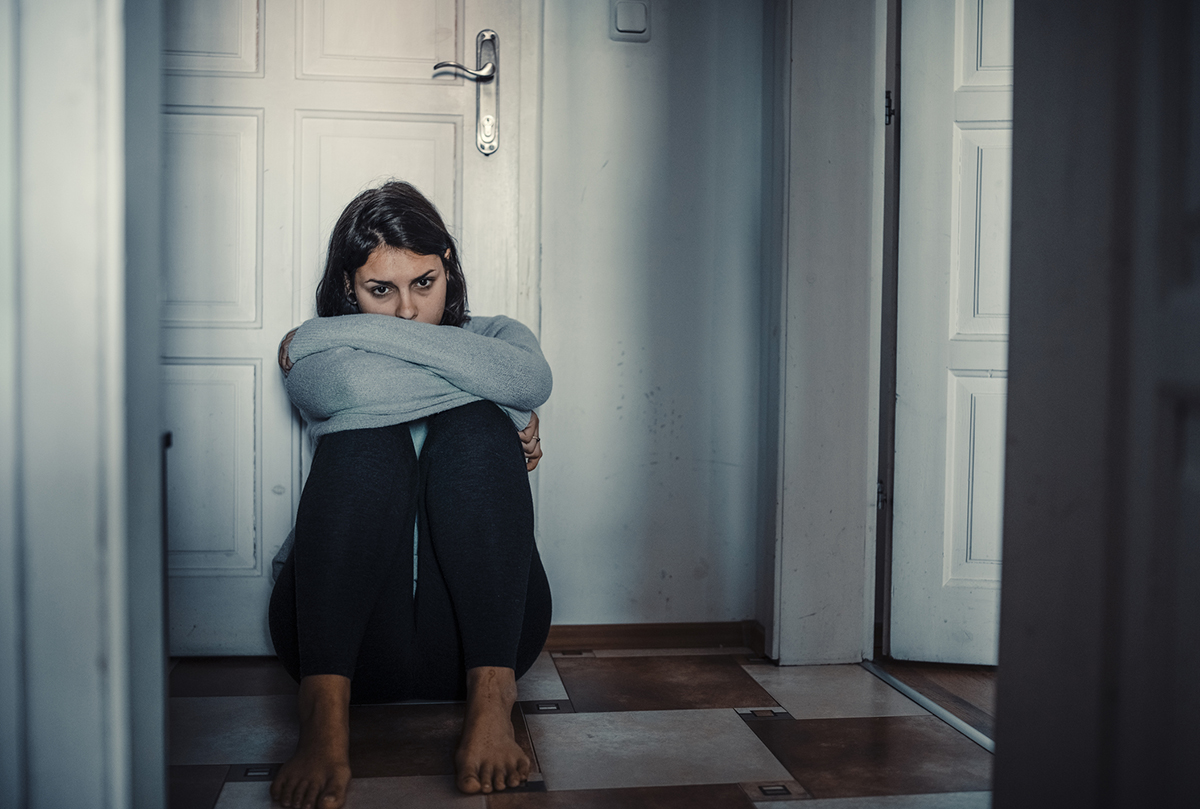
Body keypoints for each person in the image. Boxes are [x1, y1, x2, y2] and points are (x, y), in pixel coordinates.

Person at [267, 180, 553, 809]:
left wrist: (318, 334)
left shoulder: (499, 331)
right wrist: (503, 404)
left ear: (447, 266)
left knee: (475, 429)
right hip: (343, 641)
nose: (406, 312)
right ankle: (322, 718)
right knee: (368, 441)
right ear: (348, 287)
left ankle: (491, 706)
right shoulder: (337, 357)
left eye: (424, 283)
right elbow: (339, 388)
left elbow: (531, 378)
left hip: (485, 642)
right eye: (379, 291)